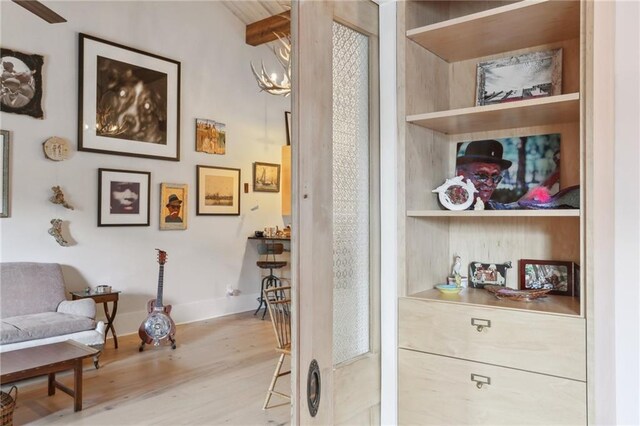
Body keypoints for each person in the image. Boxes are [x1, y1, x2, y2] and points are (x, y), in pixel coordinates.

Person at [455, 139, 512, 208]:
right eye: (481, 175)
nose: (489, 183)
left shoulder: (495, 208)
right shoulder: (451, 205)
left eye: (495, 177)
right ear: (461, 175)